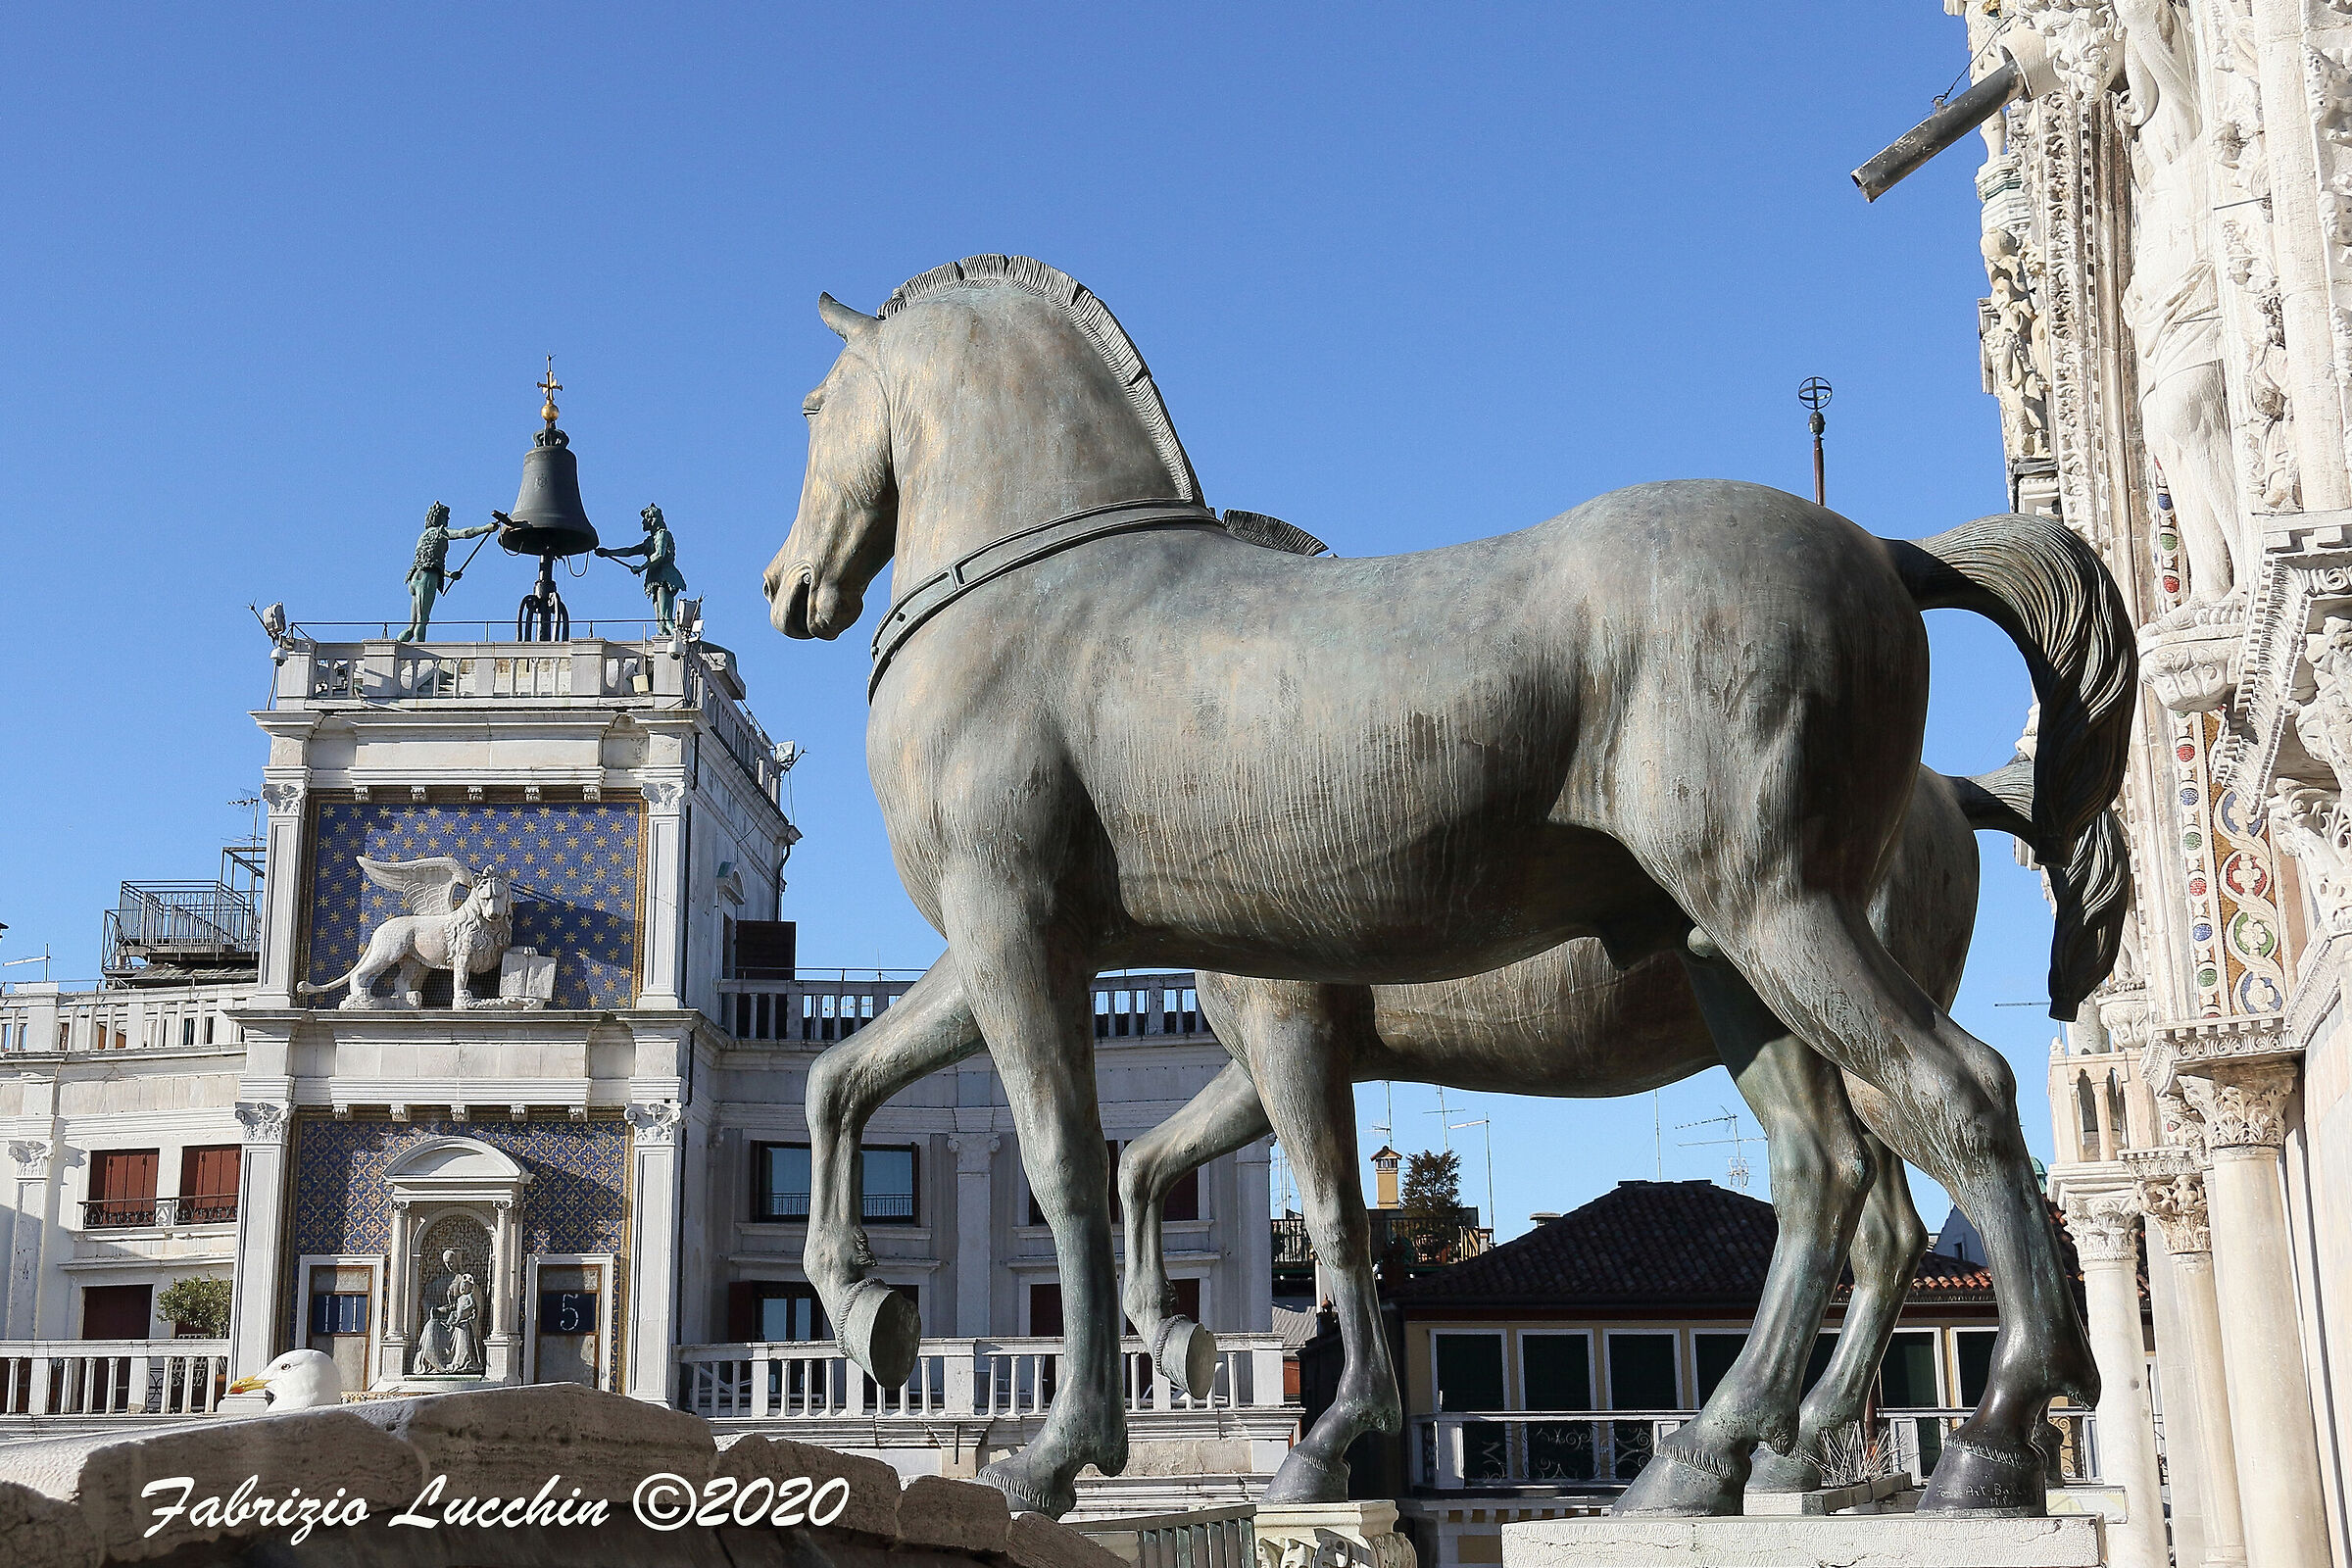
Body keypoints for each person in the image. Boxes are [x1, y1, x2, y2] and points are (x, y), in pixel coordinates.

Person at [403, 503, 494, 641]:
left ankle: (394, 647)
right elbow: (463, 533)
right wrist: (485, 528)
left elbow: (429, 562)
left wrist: (449, 574)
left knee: (412, 625)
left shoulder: (423, 536)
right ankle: (419, 651)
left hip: (415, 578)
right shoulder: (440, 532)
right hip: (427, 578)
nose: (447, 520)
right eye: (446, 517)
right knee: (423, 621)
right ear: (439, 518)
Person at [598, 504, 688, 634]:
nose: (642, 523)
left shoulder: (662, 535)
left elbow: (659, 555)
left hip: (664, 577)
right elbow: (630, 551)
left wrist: (641, 568)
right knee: (659, 622)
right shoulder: (650, 540)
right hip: (655, 578)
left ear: (652, 519)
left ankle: (679, 639)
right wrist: (609, 553)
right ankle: (667, 643)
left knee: (666, 618)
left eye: (645, 519)